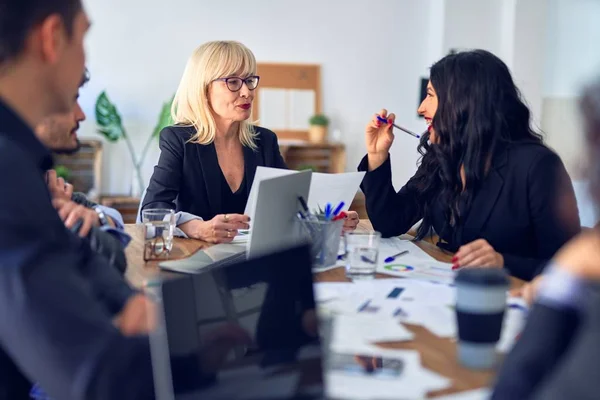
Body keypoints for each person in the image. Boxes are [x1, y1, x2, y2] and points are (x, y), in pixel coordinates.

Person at [0, 1, 226, 399]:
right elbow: (97, 377)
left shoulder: (20, 164)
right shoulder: (8, 173)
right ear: (53, 38)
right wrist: (208, 354)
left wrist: (127, 304)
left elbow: (72, 252)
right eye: (84, 36)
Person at [359, 49, 580, 281]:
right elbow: (389, 222)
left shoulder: (538, 166)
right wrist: (377, 154)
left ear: (464, 102)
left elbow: (572, 268)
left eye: (431, 95)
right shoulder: (442, 155)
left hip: (514, 299)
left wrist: (504, 262)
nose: (421, 108)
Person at [141, 40, 359, 244]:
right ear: (203, 89)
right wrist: (198, 228)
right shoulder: (179, 139)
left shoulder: (264, 141)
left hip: (254, 259)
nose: (247, 92)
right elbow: (152, 210)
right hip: (196, 258)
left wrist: (326, 222)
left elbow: (289, 206)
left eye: (249, 81)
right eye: (233, 82)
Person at [492, 78, 600, 400]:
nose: (582, 170)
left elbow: (517, 388)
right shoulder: (446, 161)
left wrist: (561, 280)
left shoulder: (536, 164)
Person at [35, 70, 130, 274]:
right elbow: (113, 259)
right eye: (72, 100)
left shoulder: (45, 181)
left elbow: (113, 219)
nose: (82, 114)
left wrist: (96, 217)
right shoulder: (19, 186)